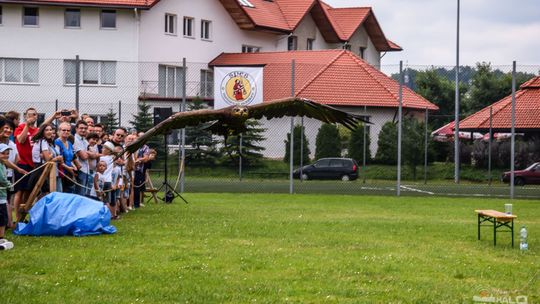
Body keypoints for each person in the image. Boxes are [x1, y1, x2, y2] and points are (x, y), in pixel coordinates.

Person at [73, 121, 98, 196]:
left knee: (85, 194)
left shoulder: (84, 140)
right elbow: (84, 157)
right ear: (76, 129)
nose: (83, 130)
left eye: (85, 128)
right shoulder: (75, 140)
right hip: (80, 170)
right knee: (79, 194)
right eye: (81, 128)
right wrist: (88, 153)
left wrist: (86, 152)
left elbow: (93, 154)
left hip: (86, 170)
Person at [55, 122, 77, 194]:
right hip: (61, 172)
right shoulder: (57, 142)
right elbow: (57, 159)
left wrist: (73, 166)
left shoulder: (70, 143)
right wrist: (68, 168)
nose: (66, 132)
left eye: (68, 130)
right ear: (59, 131)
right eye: (64, 130)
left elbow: (70, 157)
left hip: (69, 172)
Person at [0, 144, 14, 250]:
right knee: (2, 218)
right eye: (3, 153)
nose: (5, 156)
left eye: (7, 154)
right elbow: (2, 179)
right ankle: (1, 237)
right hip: (1, 197)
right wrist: (9, 185)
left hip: (2, 196)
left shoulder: (3, 164)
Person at [99, 141, 117, 219]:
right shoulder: (112, 158)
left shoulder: (102, 158)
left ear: (108, 150)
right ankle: (111, 215)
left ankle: (106, 216)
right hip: (109, 181)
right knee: (108, 200)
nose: (102, 149)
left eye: (104, 148)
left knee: (104, 200)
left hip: (102, 181)